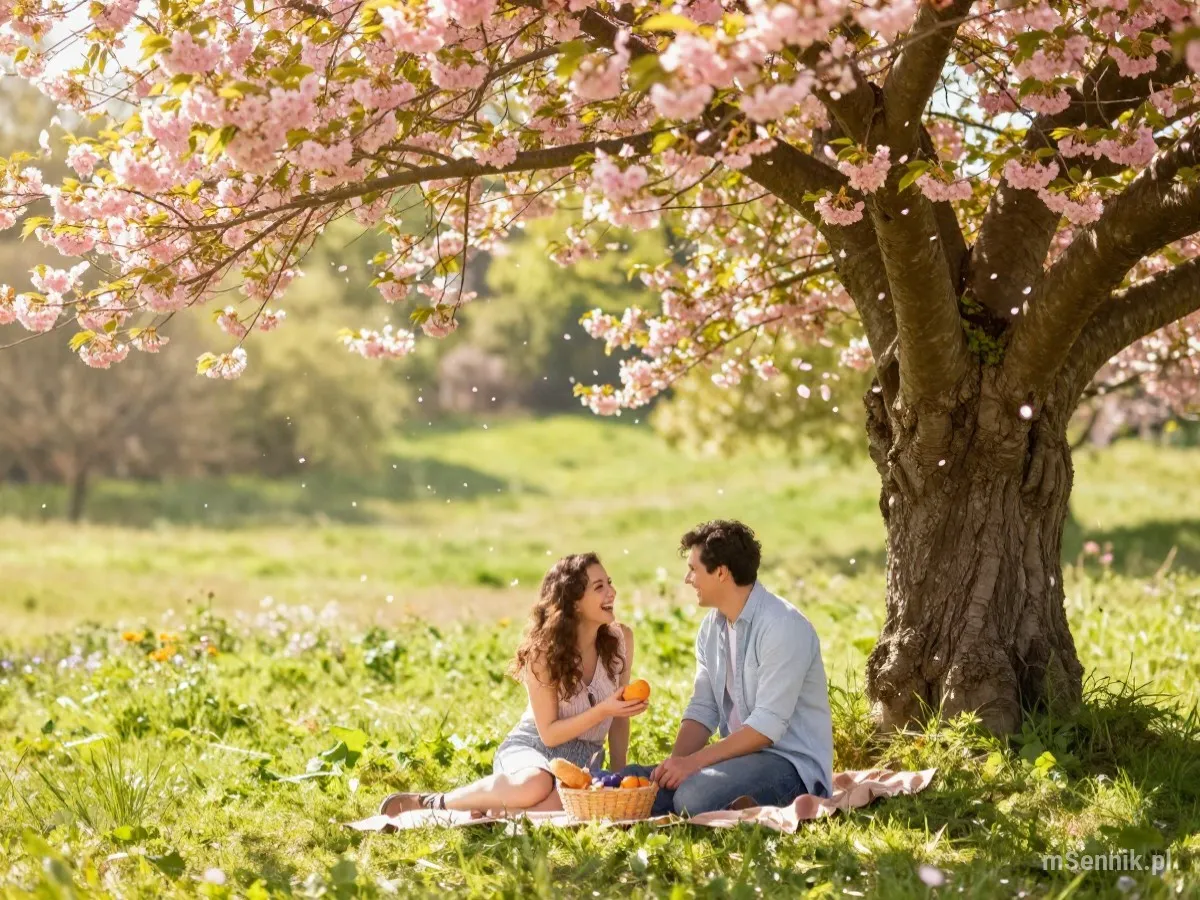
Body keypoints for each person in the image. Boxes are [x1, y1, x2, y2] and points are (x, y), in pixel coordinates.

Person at [377, 552, 646, 817]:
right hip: (532, 751)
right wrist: (604, 710)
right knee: (535, 784)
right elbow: (549, 734)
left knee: (564, 802)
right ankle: (434, 803)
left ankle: (497, 809)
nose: (612, 592)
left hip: (583, 761)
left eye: (609, 583)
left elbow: (619, 718)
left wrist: (619, 778)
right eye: (599, 587)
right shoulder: (543, 653)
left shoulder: (621, 640)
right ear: (574, 602)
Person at [622, 519, 834, 817]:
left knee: (693, 797)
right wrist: (672, 769)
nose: (687, 579)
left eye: (693, 569)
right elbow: (703, 708)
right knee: (630, 780)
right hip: (738, 759)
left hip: (790, 764)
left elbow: (766, 728)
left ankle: (708, 801)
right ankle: (687, 797)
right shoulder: (712, 628)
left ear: (721, 572)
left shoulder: (783, 626)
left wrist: (693, 765)